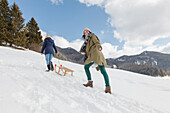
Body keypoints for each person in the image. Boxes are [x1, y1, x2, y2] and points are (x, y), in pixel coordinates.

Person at [80, 28, 111, 94]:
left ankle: (91, 83)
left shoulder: (92, 36)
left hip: (95, 54)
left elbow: (97, 42)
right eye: (84, 32)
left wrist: (99, 47)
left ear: (88, 31)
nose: (84, 32)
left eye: (85, 31)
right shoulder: (87, 40)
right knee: (102, 71)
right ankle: (107, 88)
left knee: (87, 67)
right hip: (93, 55)